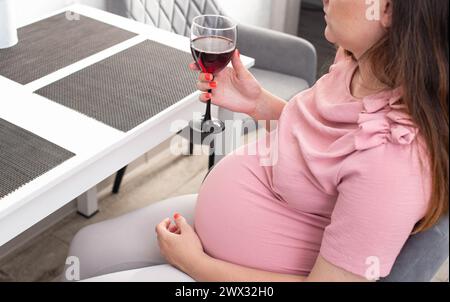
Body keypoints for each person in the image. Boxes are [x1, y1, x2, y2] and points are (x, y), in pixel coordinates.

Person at [66, 0, 448, 281]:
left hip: (236, 271)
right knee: (86, 249)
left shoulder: (395, 162)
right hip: (229, 225)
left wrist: (195, 265)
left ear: (386, 10)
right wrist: (260, 104)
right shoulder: (356, 64)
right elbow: (322, 147)